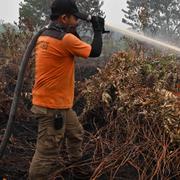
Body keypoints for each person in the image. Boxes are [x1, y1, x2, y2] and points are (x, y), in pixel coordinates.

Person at [28, 0, 104, 179]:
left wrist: (82, 22)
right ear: (63, 18)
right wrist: (98, 29)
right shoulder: (65, 39)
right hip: (52, 108)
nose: (76, 22)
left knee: (75, 133)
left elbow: (74, 40)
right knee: (46, 153)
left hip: (56, 103)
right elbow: (95, 51)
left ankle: (76, 168)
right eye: (74, 18)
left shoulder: (46, 35)